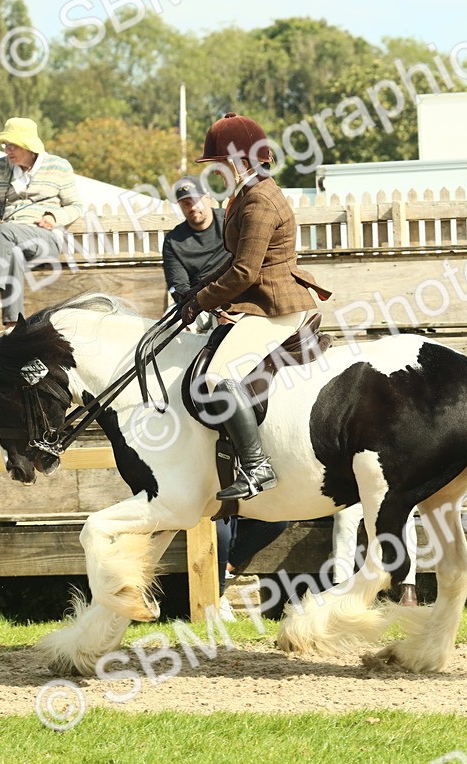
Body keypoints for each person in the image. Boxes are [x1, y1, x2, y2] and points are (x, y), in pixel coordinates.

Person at [184, 112, 329, 501]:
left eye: (219, 164)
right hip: (262, 300)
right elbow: (235, 263)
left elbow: (246, 271)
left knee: (217, 377)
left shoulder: (259, 201)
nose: (216, 172)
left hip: (277, 305)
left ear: (239, 161)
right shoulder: (248, 193)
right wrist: (205, 292)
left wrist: (201, 300)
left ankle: (257, 467)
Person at [0, 118, 83, 327]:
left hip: (44, 239)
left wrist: (53, 217)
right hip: (10, 240)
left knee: (6, 232)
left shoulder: (58, 166)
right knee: (12, 252)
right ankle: (13, 325)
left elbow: (76, 206)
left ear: (29, 146)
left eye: (13, 145)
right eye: (5, 145)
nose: (8, 150)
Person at [162, 176, 229, 332]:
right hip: (196, 300)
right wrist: (192, 305)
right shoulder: (173, 241)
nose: (192, 207)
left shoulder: (229, 221)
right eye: (186, 203)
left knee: (228, 328)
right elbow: (178, 285)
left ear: (207, 198)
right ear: (180, 206)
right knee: (170, 328)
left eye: (195, 200)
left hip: (231, 294)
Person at [331, 504, 419, 606]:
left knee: (404, 516)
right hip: (355, 499)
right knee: (344, 515)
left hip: (391, 497)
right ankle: (342, 587)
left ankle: (408, 587)